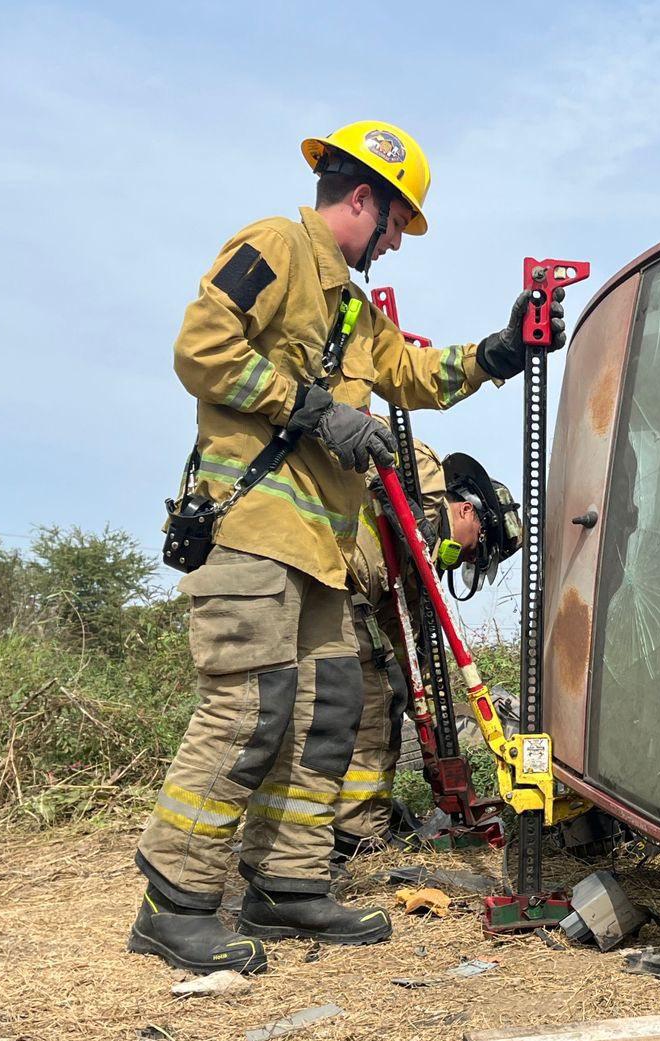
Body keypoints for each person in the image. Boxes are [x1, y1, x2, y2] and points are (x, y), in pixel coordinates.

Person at [129, 121, 563, 975]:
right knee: (249, 711)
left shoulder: (355, 310)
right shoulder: (275, 247)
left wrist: (503, 351)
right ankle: (173, 902)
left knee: (330, 710)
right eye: (396, 222)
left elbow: (416, 374)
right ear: (361, 197)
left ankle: (287, 886)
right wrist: (312, 407)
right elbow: (201, 347)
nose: (396, 241)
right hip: (252, 529)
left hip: (321, 551)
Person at [335, 445, 520, 862]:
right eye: (476, 550)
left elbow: (409, 648)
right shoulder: (424, 474)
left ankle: (355, 825)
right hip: (331, 584)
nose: (466, 560)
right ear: (469, 513)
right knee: (377, 702)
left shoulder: (422, 558)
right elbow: (378, 440)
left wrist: (437, 739)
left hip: (347, 598)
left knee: (386, 695)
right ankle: (355, 832)